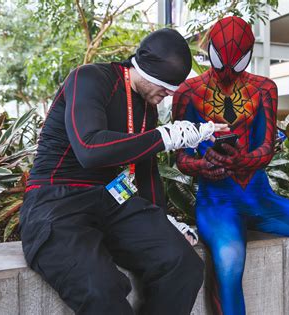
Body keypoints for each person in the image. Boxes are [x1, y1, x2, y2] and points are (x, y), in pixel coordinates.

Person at [20, 28, 229, 315]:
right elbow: (89, 149)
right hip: (56, 199)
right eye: (165, 86)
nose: (168, 95)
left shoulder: (146, 106)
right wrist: (165, 137)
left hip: (110, 198)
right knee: (101, 290)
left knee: (183, 264)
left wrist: (163, 219)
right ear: (144, 69)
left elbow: (145, 170)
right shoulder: (90, 78)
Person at [173, 16, 289, 315]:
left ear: (249, 54)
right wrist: (202, 165)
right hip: (217, 203)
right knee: (229, 262)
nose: (226, 72)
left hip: (262, 200)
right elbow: (180, 157)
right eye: (221, 60)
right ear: (209, 50)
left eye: (236, 63)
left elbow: (265, 149)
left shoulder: (264, 88)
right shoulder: (188, 92)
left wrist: (241, 159)